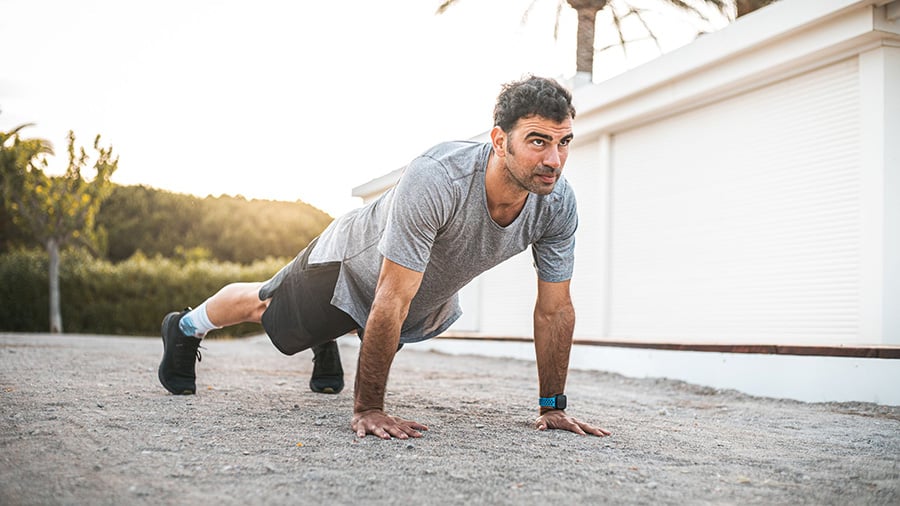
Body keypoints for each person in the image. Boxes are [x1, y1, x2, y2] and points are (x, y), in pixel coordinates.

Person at [158, 75, 611, 439]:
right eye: (538, 141)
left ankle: (326, 338)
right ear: (499, 139)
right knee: (266, 306)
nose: (555, 158)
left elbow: (554, 310)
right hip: (346, 263)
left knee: (374, 318)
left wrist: (553, 406)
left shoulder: (557, 204)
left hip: (406, 292)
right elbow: (390, 298)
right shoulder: (438, 178)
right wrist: (368, 409)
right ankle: (185, 326)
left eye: (564, 141)